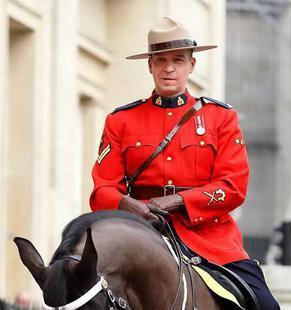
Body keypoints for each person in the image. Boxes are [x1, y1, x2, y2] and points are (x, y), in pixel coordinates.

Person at [90, 16, 279, 309]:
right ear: (149, 65)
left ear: (192, 65)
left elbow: (233, 187)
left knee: (266, 305)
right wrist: (129, 205)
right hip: (140, 234)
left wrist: (176, 201)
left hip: (211, 239)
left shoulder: (221, 118)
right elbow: (101, 191)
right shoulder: (120, 121)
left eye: (178, 60)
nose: (169, 68)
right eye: (161, 60)